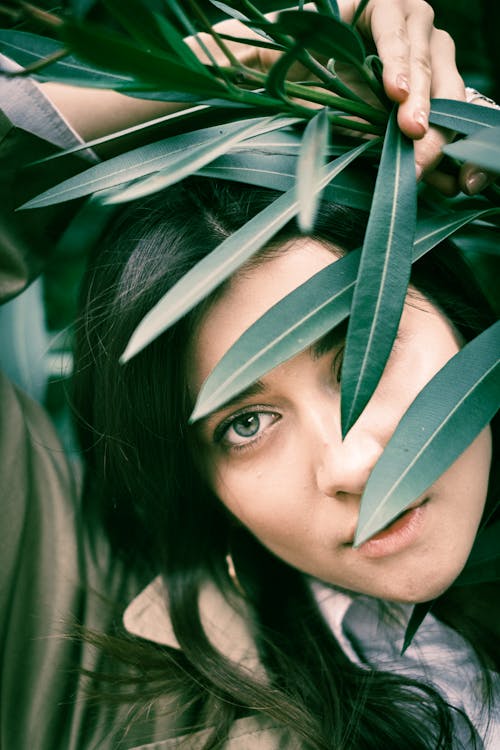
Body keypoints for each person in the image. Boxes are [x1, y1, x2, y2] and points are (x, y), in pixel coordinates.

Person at [0, 1, 498, 749]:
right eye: (245, 424)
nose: (356, 465)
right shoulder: (118, 689)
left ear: (458, 311)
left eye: (366, 343)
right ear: (195, 475)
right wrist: (224, 69)